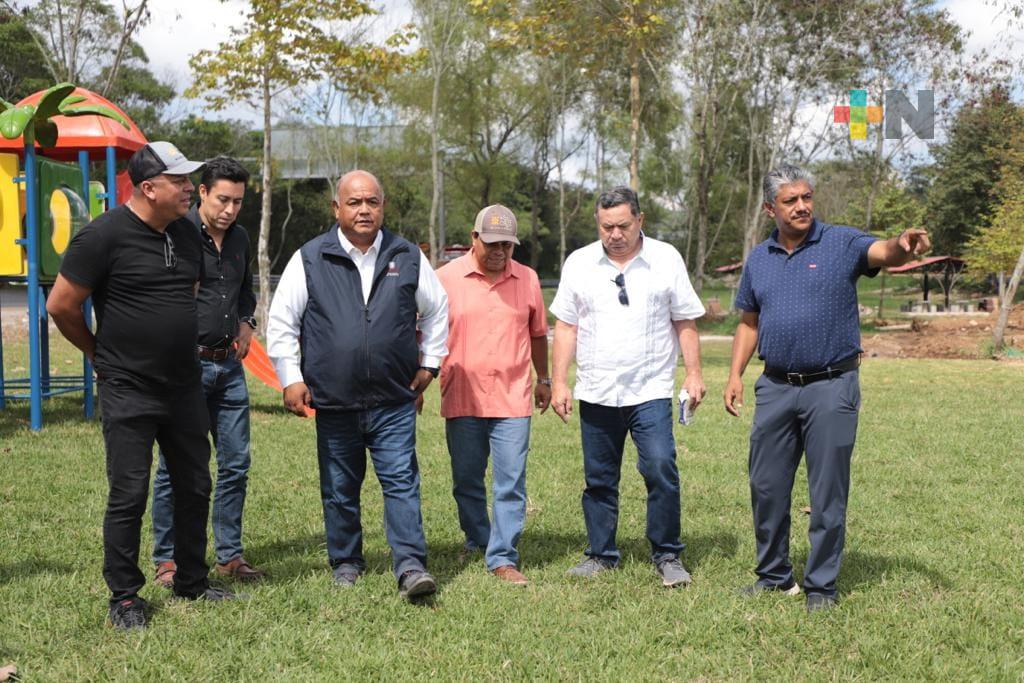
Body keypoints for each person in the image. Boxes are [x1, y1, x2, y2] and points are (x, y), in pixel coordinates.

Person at [46, 141, 239, 631]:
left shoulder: (187, 235)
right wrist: (98, 354)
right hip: (128, 388)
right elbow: (62, 306)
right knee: (129, 492)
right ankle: (126, 597)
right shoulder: (102, 236)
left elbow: (187, 294)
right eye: (178, 181)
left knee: (196, 484)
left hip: (184, 386)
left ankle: (192, 580)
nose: (188, 189)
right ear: (148, 187)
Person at [723, 163, 929, 613]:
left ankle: (821, 587)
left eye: (806, 197)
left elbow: (884, 252)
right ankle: (774, 576)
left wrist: (902, 245)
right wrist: (736, 373)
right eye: (790, 200)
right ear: (769, 208)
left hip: (831, 386)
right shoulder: (759, 259)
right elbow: (748, 321)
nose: (801, 206)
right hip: (775, 386)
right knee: (766, 485)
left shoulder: (840, 241)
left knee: (827, 491)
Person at [266, 170, 448, 600]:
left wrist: (431, 364)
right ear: (337, 208)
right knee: (339, 487)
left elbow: (438, 310)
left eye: (372, 202)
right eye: (354, 202)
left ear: (383, 206)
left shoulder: (407, 255)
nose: (364, 209)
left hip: (393, 400)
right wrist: (291, 378)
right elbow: (282, 321)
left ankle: (410, 566)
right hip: (334, 400)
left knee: (401, 481)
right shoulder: (310, 258)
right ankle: (346, 562)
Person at [549, 186, 706, 588]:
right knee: (599, 477)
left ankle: (667, 554)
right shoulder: (580, 263)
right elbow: (565, 326)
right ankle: (601, 554)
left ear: (640, 220)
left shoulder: (666, 259)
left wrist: (693, 374)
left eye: (622, 225)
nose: (614, 234)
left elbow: (685, 320)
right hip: (597, 389)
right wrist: (561, 382)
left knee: (660, 468)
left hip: (649, 387)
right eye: (606, 227)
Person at [150, 156, 264, 588]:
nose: (230, 209)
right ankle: (168, 559)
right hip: (186, 367)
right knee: (175, 467)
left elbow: (246, 288)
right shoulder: (176, 235)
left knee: (236, 463)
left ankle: (229, 555)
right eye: (222, 199)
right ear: (201, 193)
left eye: (237, 201)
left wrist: (247, 323)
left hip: (230, 368)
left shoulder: (240, 239)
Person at [436, 204, 551, 586]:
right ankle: (479, 538)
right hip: (462, 394)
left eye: (508, 244)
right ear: (474, 239)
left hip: (513, 396)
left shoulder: (528, 279)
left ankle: (502, 557)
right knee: (466, 479)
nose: (500, 251)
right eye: (492, 243)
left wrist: (544, 378)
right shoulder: (445, 278)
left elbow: (537, 333)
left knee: (510, 481)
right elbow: (423, 333)